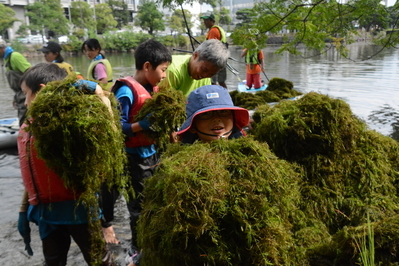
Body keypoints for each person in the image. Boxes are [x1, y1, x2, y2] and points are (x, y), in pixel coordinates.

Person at [17, 63, 114, 266]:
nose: (25, 103)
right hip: (46, 213)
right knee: (53, 261)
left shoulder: (68, 124)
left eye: (26, 94)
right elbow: (33, 170)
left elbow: (103, 109)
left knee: (100, 261)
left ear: (42, 91)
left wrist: (91, 88)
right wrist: (23, 211)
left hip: (78, 210)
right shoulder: (30, 126)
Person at [111, 39, 172, 266]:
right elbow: (119, 127)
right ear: (147, 66)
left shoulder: (151, 88)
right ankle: (136, 250)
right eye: (163, 70)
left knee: (153, 200)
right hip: (134, 157)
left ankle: (152, 240)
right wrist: (142, 125)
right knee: (137, 206)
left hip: (152, 154)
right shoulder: (126, 91)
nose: (165, 76)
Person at [177, 84, 249, 144]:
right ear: (192, 127)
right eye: (206, 114)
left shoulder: (248, 152)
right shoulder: (184, 159)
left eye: (223, 112)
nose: (216, 119)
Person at [158, 39, 229, 97]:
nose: (205, 76)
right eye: (204, 70)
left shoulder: (206, 77)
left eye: (211, 74)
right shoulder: (172, 71)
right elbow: (163, 105)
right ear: (195, 55)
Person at [0, 39, 31, 126]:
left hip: (25, 93)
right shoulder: (6, 58)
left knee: (24, 120)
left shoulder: (15, 56)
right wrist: (16, 97)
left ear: (1, 49)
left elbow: (30, 72)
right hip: (19, 93)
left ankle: (26, 137)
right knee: (22, 118)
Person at [200, 13, 228, 89]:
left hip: (215, 60)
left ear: (212, 21)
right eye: (204, 20)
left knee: (212, 81)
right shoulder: (218, 29)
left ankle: (215, 97)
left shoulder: (213, 31)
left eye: (206, 20)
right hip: (222, 58)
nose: (204, 22)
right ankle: (227, 97)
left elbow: (210, 47)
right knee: (221, 81)